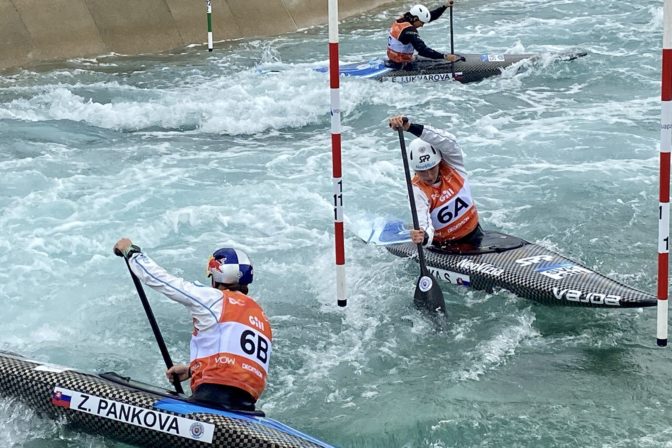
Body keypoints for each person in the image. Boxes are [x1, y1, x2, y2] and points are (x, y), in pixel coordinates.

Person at [113, 239, 272, 411]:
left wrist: (131, 252)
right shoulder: (261, 318)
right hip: (244, 407)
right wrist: (191, 370)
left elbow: (163, 281)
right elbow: (236, 358)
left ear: (216, 276)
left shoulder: (214, 299)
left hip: (211, 399)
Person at [388, 115, 483, 248]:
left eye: (432, 168)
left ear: (439, 162)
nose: (428, 175)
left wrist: (410, 127)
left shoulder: (453, 164)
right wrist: (423, 236)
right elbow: (424, 223)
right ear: (414, 169)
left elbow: (448, 141)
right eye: (422, 171)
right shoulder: (416, 190)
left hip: (475, 233)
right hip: (446, 245)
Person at [386, 1, 464, 69]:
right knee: (437, 59)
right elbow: (423, 50)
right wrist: (445, 56)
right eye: (422, 23)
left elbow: (429, 16)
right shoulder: (409, 31)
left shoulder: (403, 19)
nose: (422, 25)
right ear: (415, 18)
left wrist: (444, 7)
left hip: (393, 59)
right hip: (402, 65)